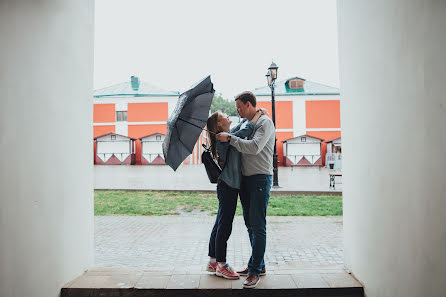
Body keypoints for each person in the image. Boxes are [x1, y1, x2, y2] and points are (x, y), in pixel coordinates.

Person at [216, 91, 275, 288]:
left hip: (259, 179)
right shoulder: (246, 123)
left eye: (240, 107)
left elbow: (254, 147)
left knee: (258, 225)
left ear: (249, 105)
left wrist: (230, 140)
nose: (237, 111)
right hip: (246, 181)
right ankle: (259, 265)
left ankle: (255, 271)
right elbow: (237, 132)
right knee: (250, 223)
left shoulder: (264, 123)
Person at [206, 110, 263, 280]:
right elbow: (245, 131)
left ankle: (213, 260)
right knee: (225, 224)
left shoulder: (226, 135)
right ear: (218, 124)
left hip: (227, 185)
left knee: (220, 221)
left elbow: (239, 128)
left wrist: (248, 119)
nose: (228, 116)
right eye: (223, 115)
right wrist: (257, 116)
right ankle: (221, 265)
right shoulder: (222, 138)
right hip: (228, 186)